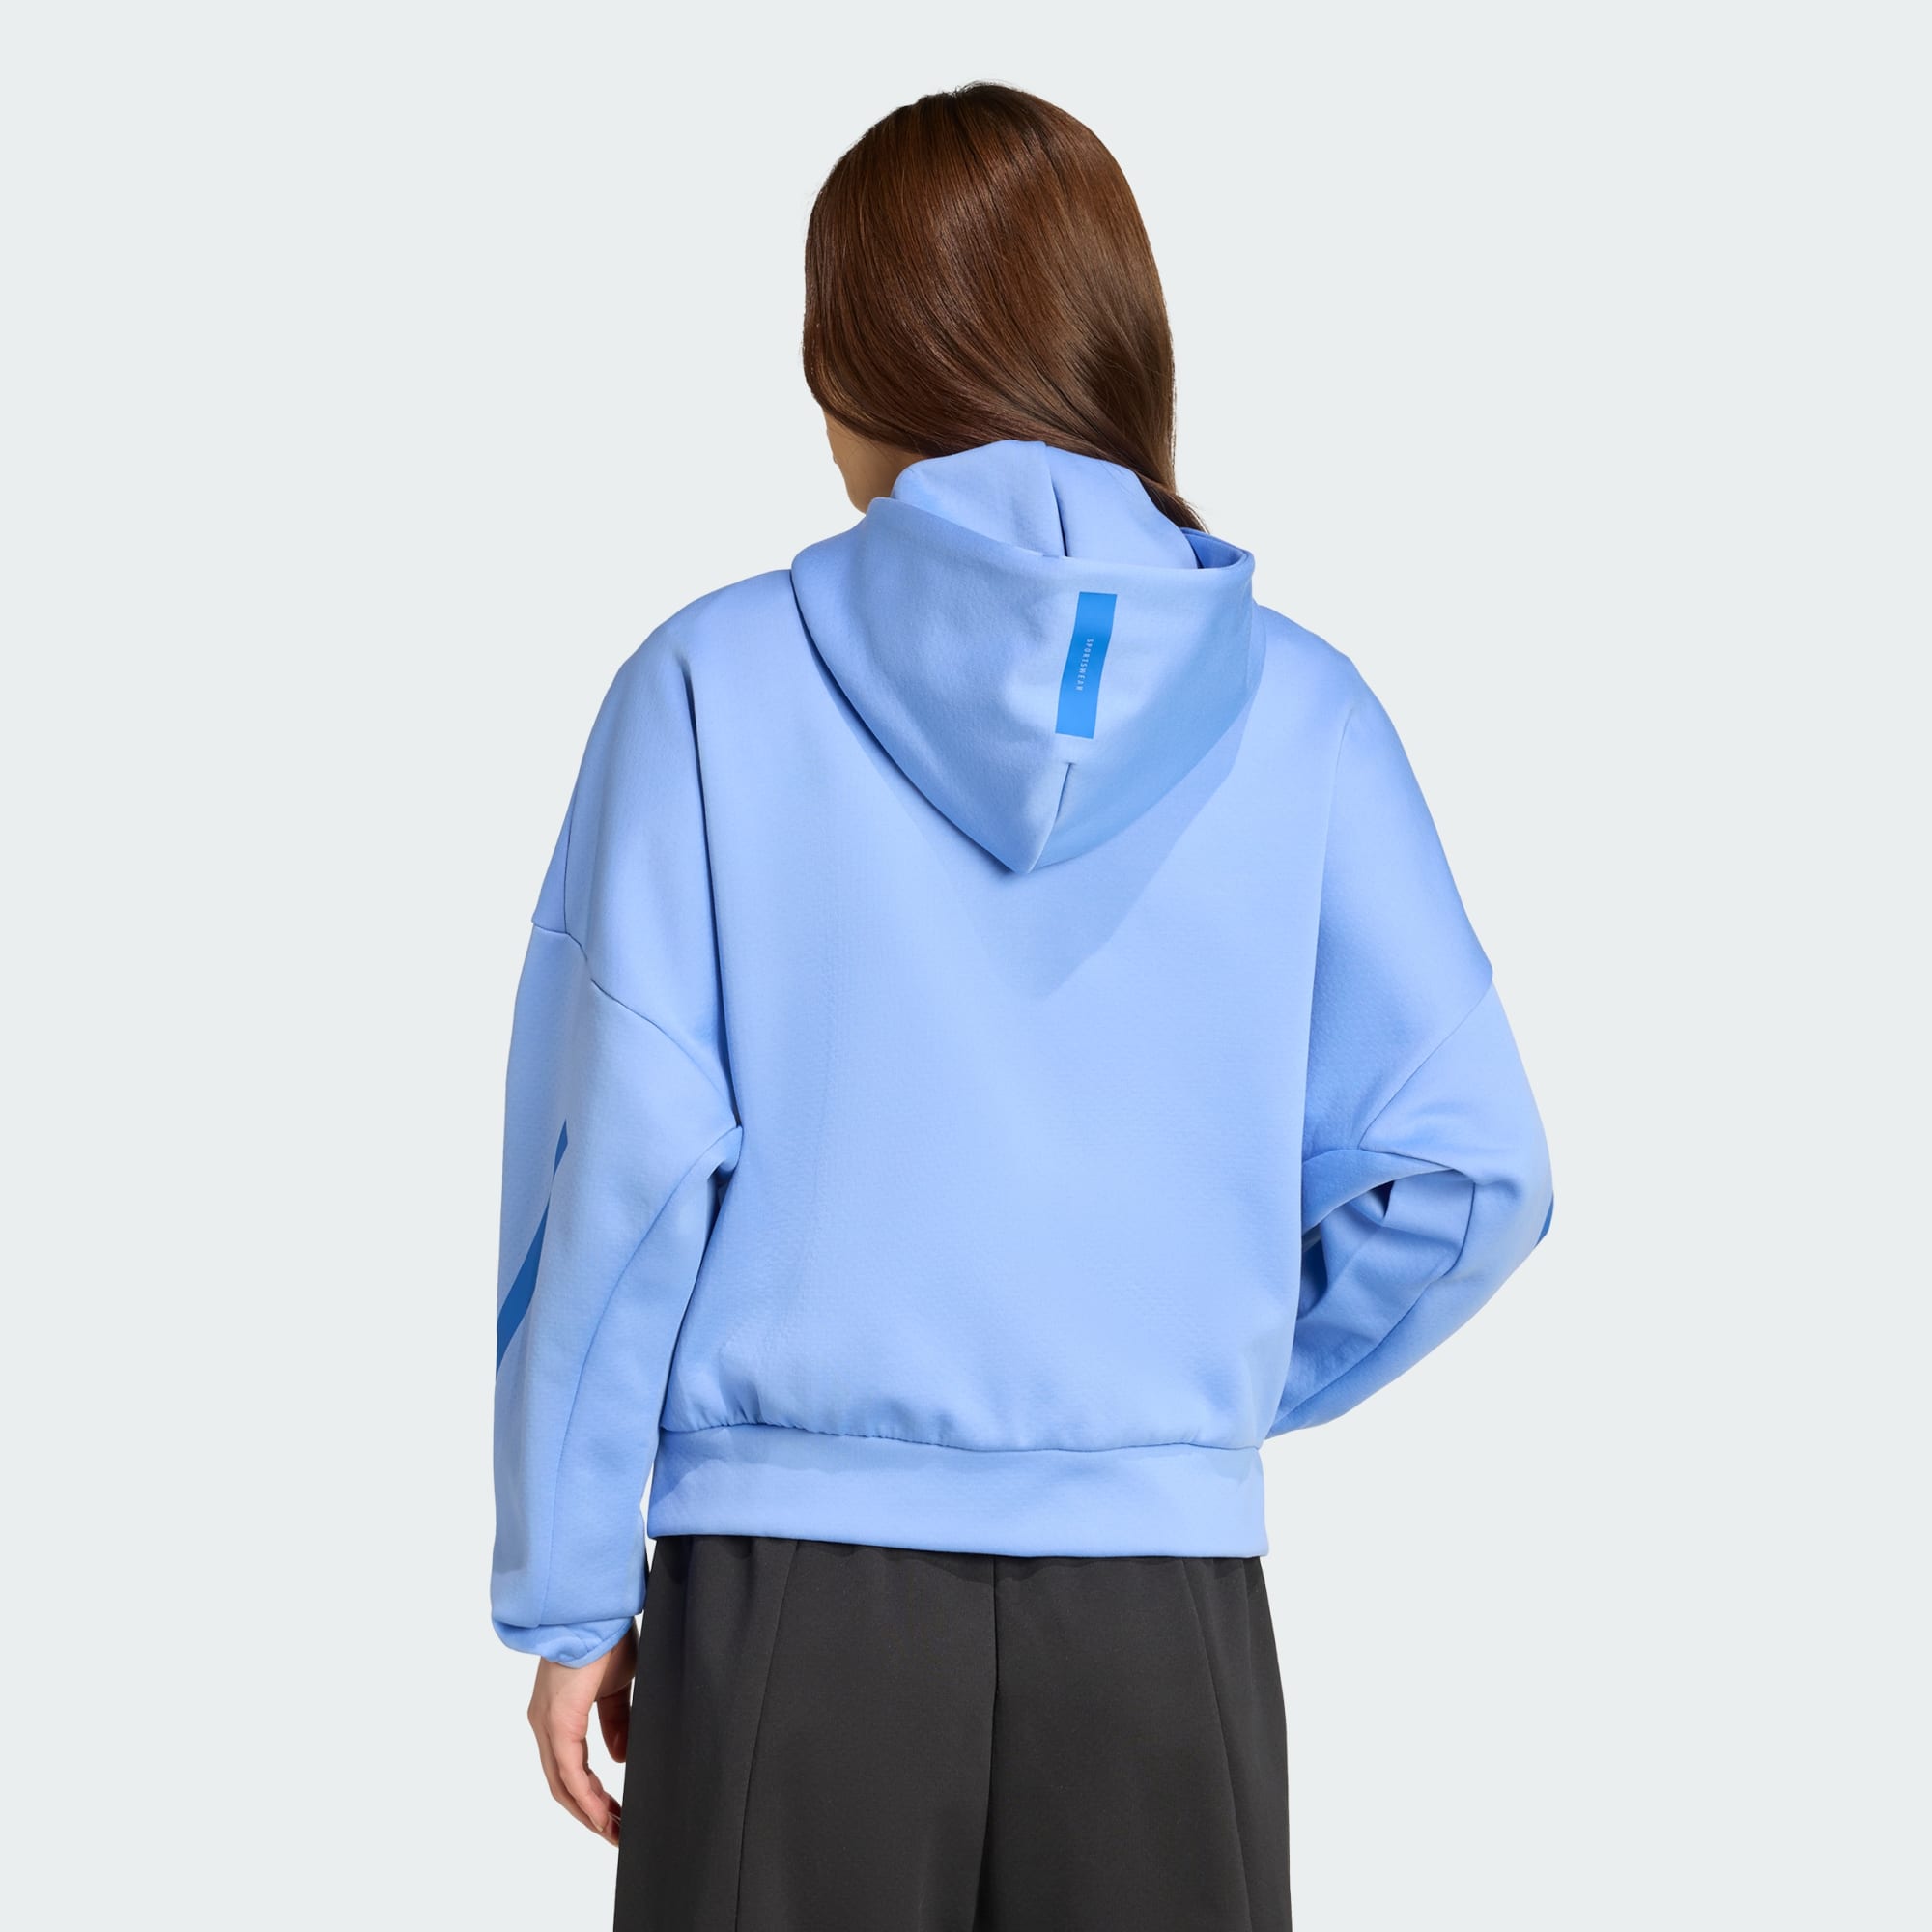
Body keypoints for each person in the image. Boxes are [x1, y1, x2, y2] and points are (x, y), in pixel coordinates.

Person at [490, 81, 1553, 1931]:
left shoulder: (708, 688)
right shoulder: (1305, 714)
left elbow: (621, 1179)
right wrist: (1178, 1393)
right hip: (1166, 1620)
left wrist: (571, 1592)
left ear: (851, 362)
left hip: (787, 1598)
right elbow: (1474, 1174)